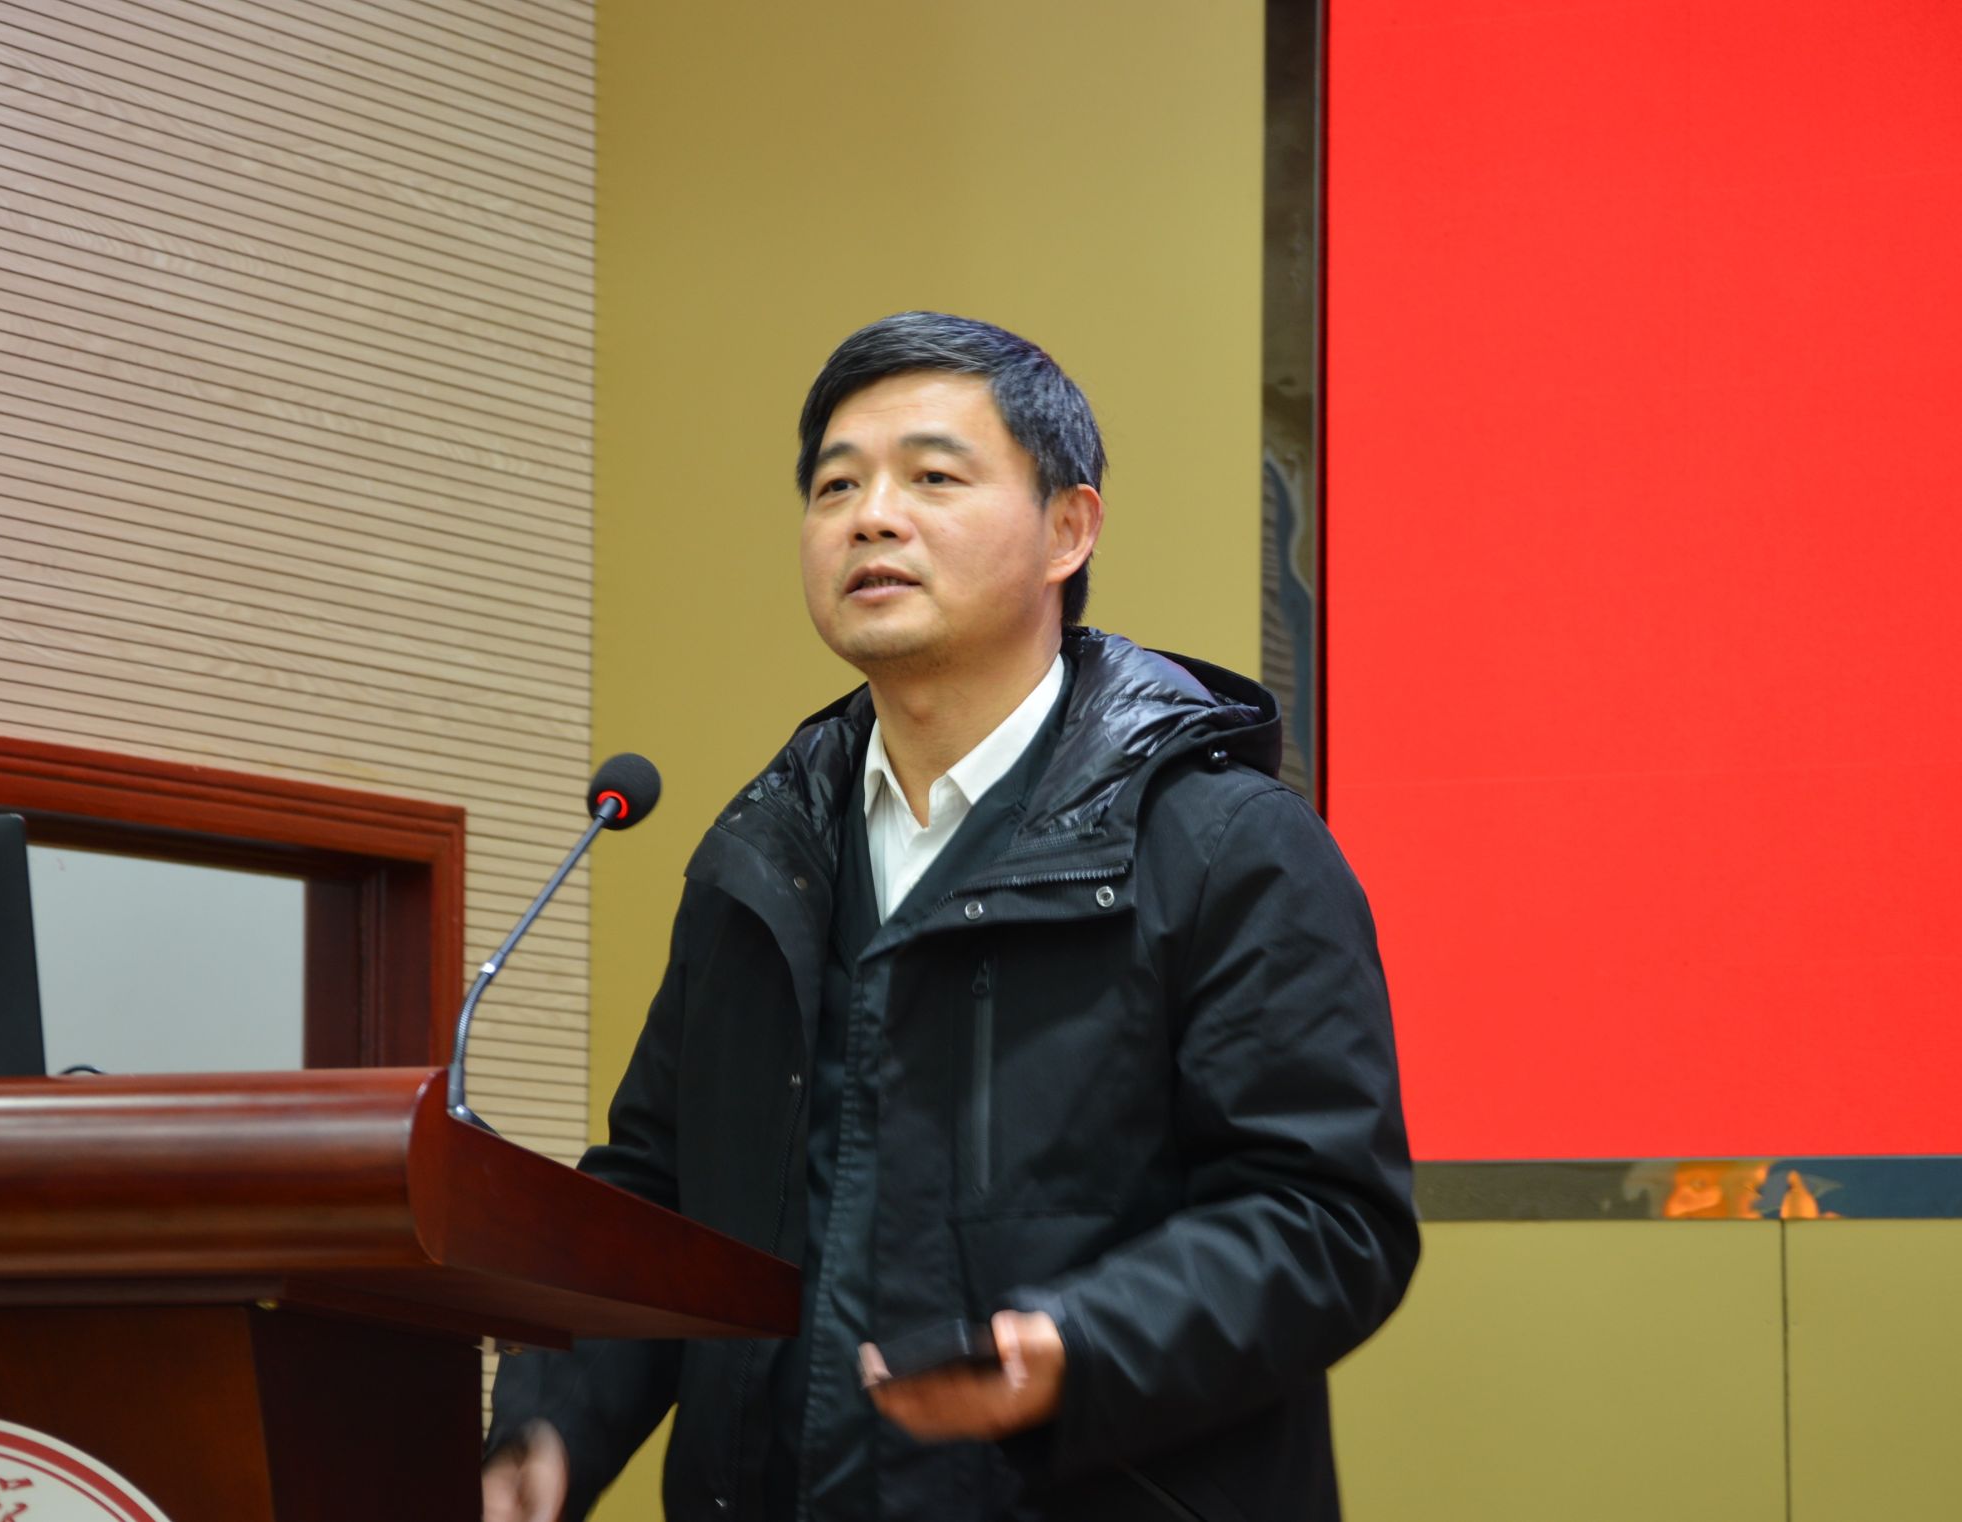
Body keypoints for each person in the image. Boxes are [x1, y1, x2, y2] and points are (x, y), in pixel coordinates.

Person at [483, 312, 1418, 1522]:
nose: (870, 516)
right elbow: (656, 1201)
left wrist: (1078, 1345)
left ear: (1067, 529)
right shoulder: (761, 859)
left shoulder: (1224, 845)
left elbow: (1324, 1219)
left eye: (931, 477)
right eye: (835, 485)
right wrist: (548, 1428)